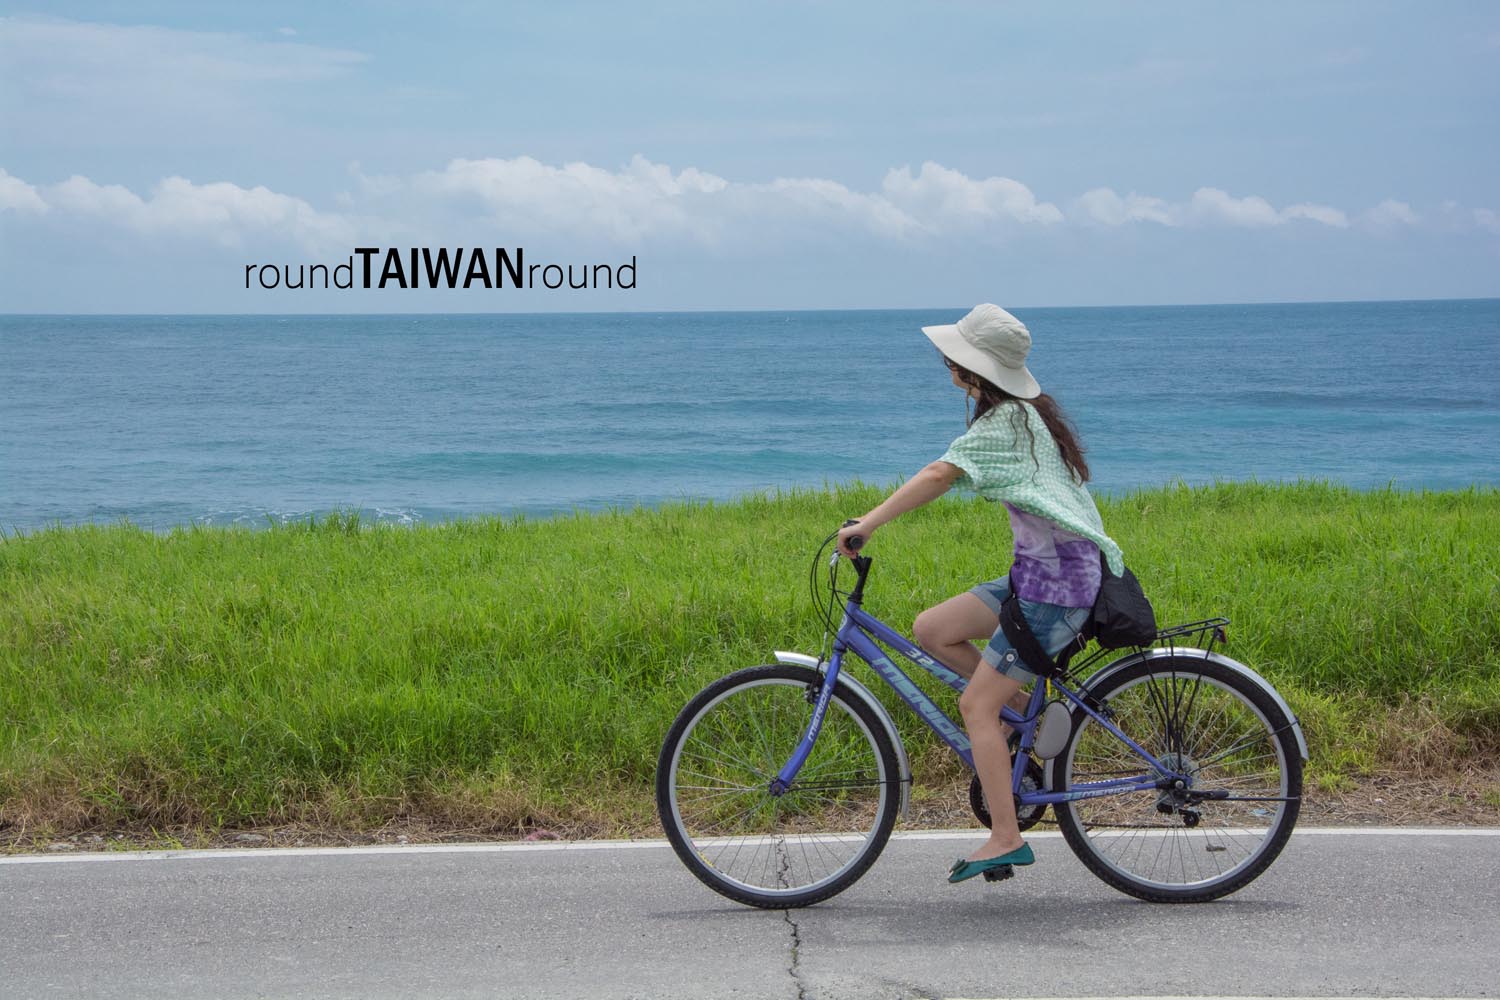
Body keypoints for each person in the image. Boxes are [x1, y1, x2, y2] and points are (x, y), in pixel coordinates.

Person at [835, 303, 1125, 884]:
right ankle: (1026, 716)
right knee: (932, 630)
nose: (948, 366)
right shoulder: (1025, 414)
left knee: (975, 706)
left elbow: (940, 474)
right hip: (1039, 573)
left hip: (1057, 586)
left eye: (955, 359)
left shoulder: (1005, 424)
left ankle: (1005, 835)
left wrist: (867, 523)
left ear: (975, 371)